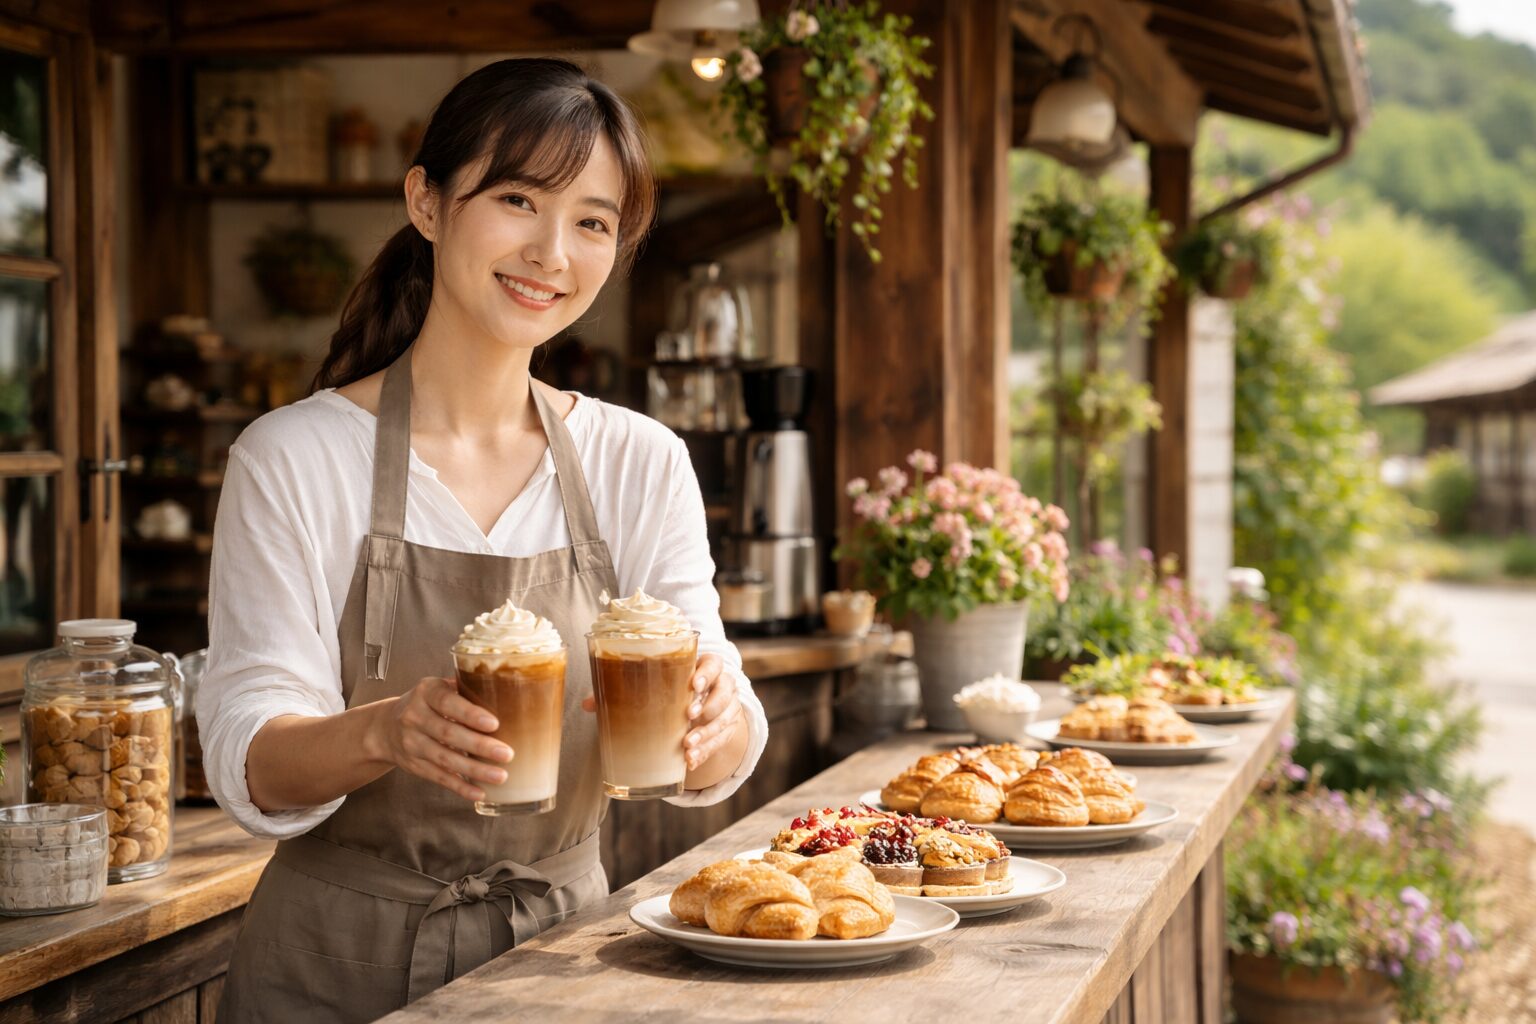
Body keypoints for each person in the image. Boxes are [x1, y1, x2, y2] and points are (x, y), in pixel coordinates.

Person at [198, 58, 768, 1022]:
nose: (552, 251)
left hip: (568, 965)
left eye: (592, 220)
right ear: (426, 201)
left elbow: (721, 735)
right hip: (331, 967)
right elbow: (248, 754)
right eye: (517, 198)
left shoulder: (640, 460)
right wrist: (384, 729)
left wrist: (715, 724)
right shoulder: (292, 456)